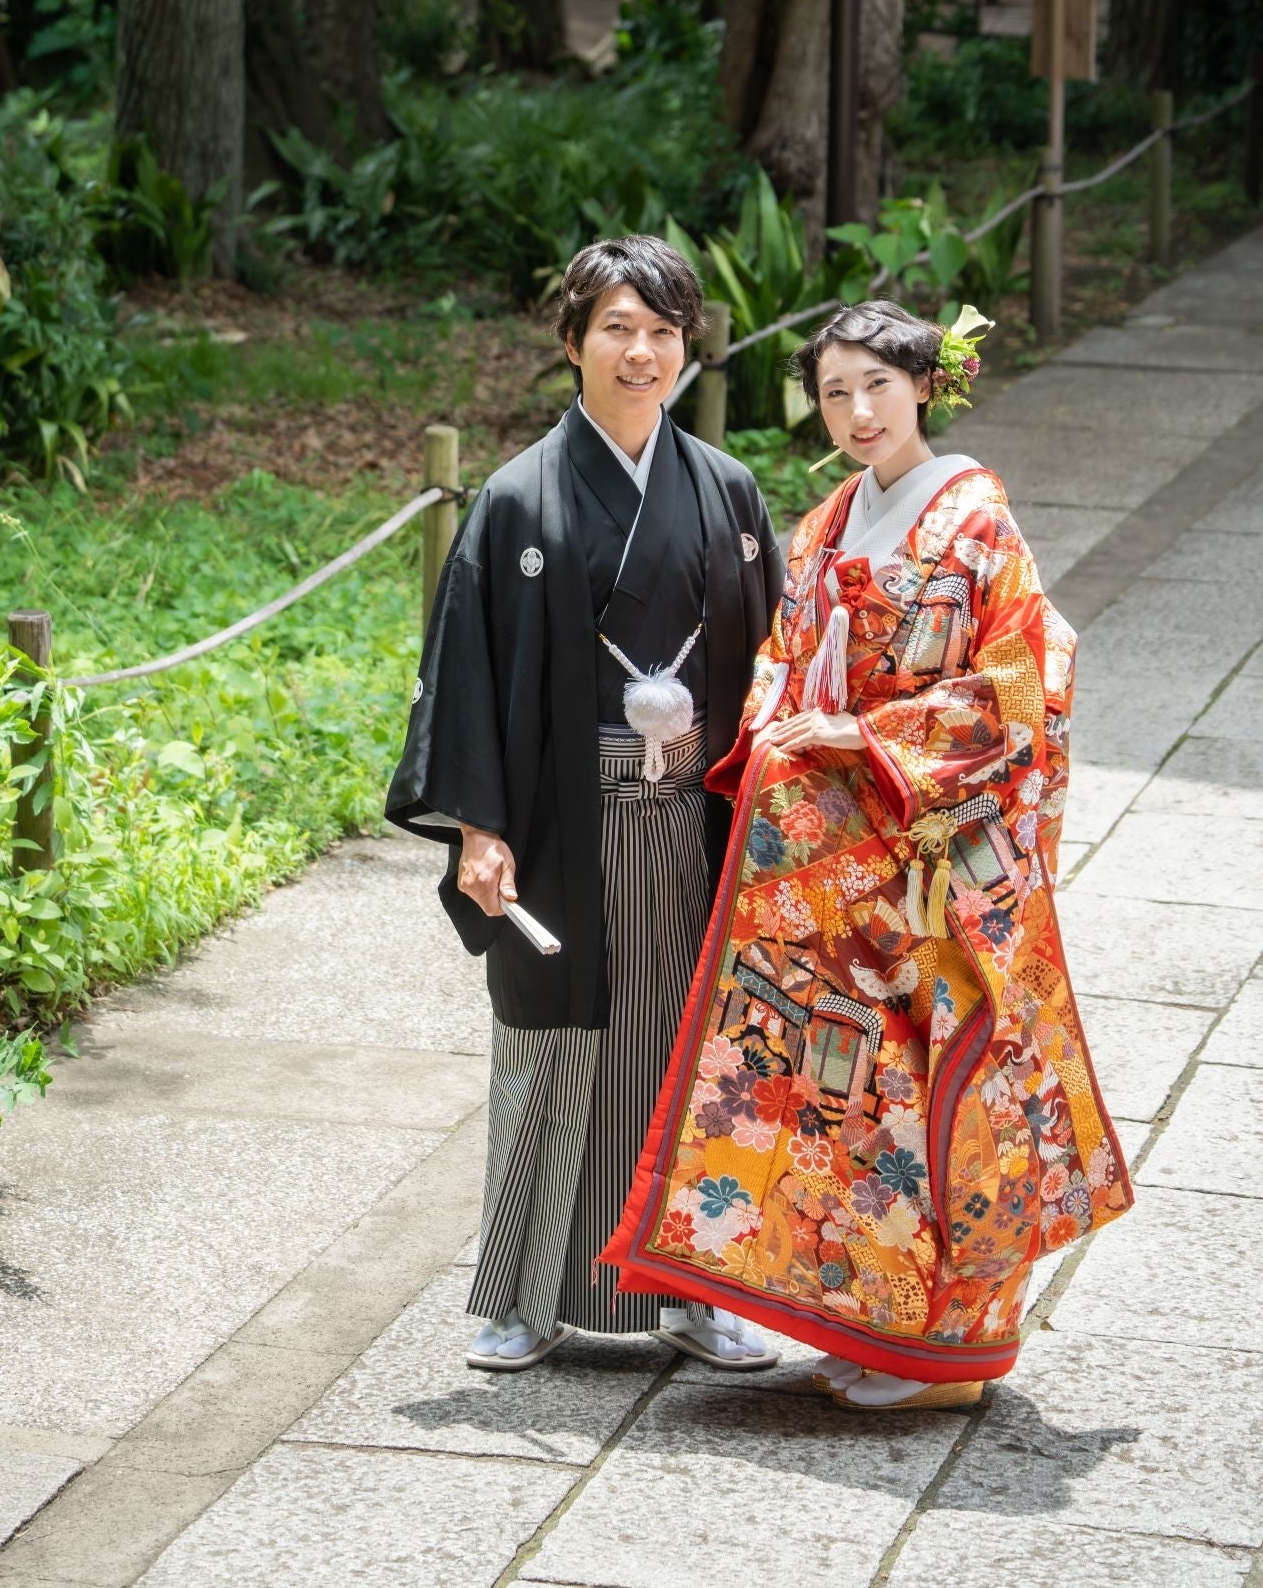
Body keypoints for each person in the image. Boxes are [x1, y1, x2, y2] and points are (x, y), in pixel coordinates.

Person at [602, 298, 1134, 1410]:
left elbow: (1027, 683)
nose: (853, 412)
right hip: (846, 855)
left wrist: (868, 735)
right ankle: (874, 1324)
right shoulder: (829, 519)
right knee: (852, 1091)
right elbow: (782, 656)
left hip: (935, 847)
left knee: (946, 1079)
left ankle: (948, 1352)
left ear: (925, 388)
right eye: (832, 392)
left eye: (874, 388)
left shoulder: (977, 519)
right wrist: (789, 722)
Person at [385, 234, 785, 1372]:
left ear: (686, 350)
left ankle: (700, 1290)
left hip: (696, 817)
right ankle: (523, 1294)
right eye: (616, 326)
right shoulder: (517, 499)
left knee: (698, 1044)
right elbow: (464, 673)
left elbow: (775, 660)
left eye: (662, 331)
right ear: (572, 343)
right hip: (567, 813)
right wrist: (477, 823)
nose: (641, 350)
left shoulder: (727, 491)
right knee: (550, 1041)